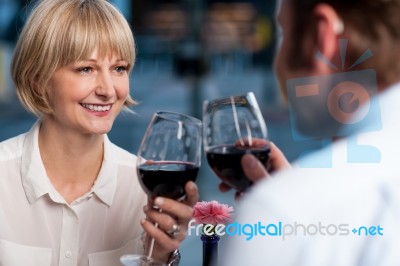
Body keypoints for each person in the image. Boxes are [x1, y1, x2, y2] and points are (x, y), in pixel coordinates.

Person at [0, 0, 198, 265]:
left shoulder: (144, 193)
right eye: (86, 69)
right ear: (39, 80)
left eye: (119, 68)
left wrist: (161, 257)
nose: (108, 89)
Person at [221, 0, 400, 265]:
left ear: (322, 34)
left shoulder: (280, 216)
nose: (279, 64)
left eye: (283, 31)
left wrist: (289, 202)